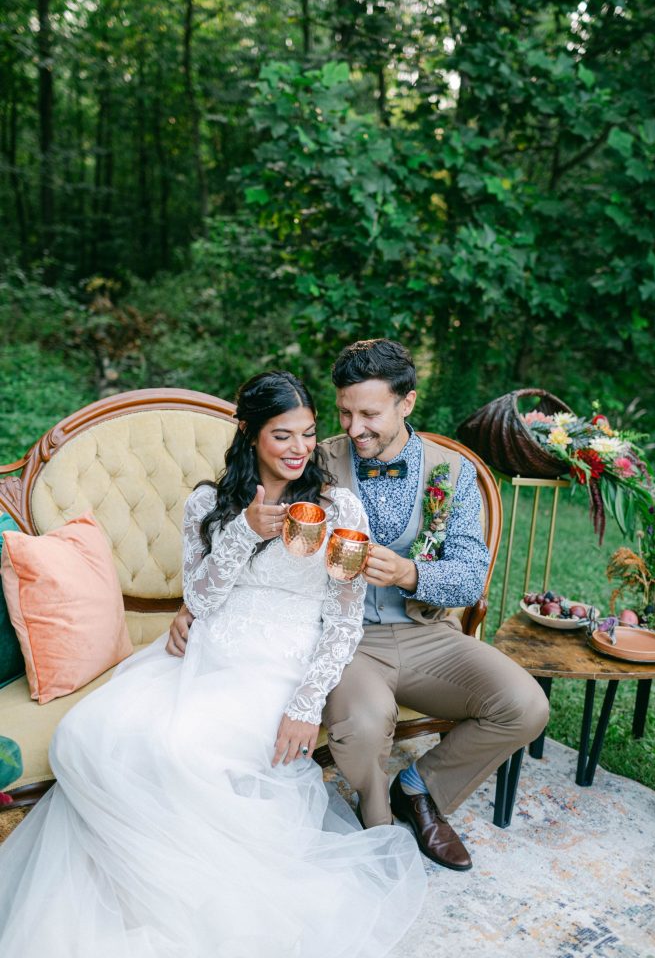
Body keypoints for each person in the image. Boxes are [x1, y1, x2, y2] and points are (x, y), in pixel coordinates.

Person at [0, 371, 426, 958]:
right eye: (282, 436)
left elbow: (346, 617)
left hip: (278, 659)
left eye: (307, 433)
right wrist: (242, 533)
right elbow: (198, 600)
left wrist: (306, 706)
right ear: (251, 436)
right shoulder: (209, 502)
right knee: (91, 735)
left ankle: (192, 902)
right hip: (205, 647)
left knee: (183, 753)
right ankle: (136, 885)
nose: (300, 448)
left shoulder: (339, 506)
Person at [169, 340, 550, 874]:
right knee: (362, 728)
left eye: (369, 414)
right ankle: (377, 821)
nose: (354, 428)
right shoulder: (316, 456)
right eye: (346, 412)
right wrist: (197, 604)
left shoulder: (454, 473)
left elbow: (469, 577)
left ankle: (420, 790)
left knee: (526, 705)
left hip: (427, 635)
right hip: (341, 638)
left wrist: (411, 572)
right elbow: (243, 513)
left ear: (406, 403)